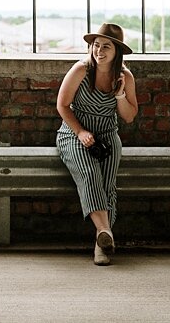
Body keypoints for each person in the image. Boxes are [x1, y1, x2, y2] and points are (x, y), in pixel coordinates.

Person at [55, 22, 138, 266]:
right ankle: (105, 231)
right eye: (96, 46)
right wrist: (80, 132)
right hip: (74, 134)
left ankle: (101, 246)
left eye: (106, 47)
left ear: (117, 52)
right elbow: (62, 105)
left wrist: (120, 95)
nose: (99, 51)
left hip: (108, 135)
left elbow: (129, 116)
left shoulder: (125, 76)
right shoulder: (81, 70)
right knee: (90, 173)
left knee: (108, 184)